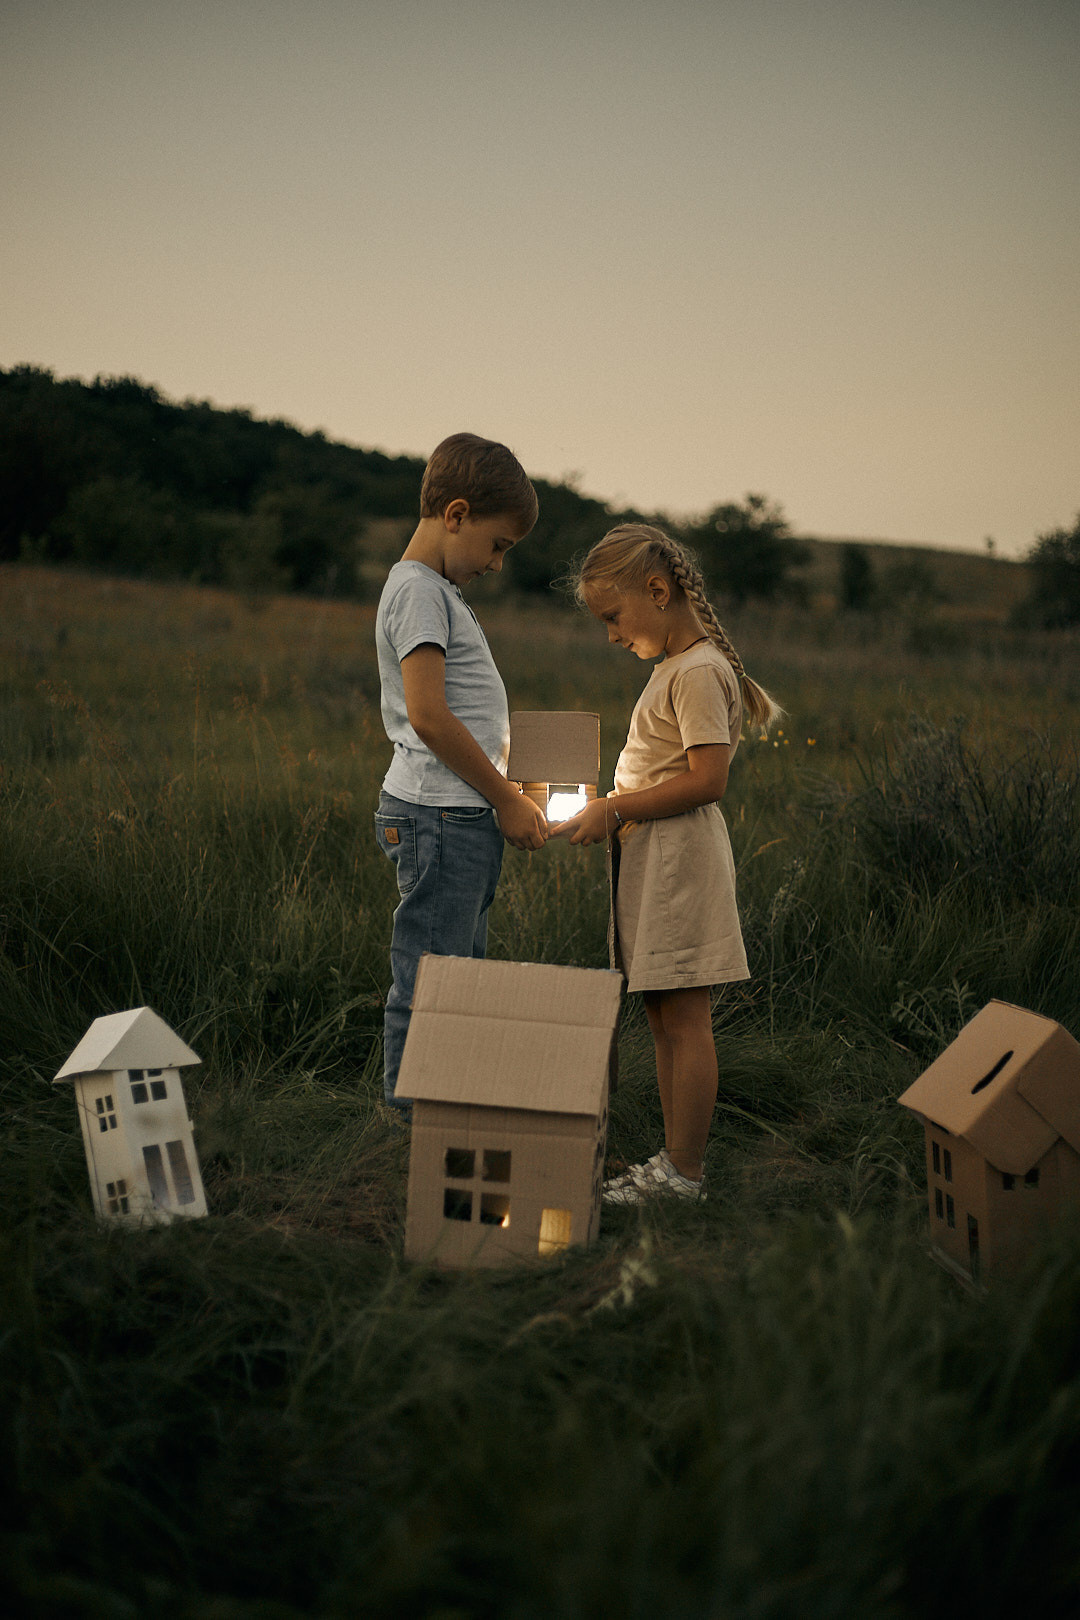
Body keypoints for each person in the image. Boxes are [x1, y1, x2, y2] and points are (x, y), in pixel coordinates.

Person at [551, 523, 780, 1201]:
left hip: (681, 865)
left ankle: (685, 1172)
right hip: (656, 862)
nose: (613, 635)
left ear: (657, 591)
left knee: (685, 1020)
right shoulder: (676, 670)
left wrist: (616, 809)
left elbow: (708, 780)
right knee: (662, 1017)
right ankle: (674, 1165)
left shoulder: (700, 672)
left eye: (614, 618)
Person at [374, 433, 548, 1118]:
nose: (499, 564)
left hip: (457, 814)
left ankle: (444, 1108)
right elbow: (429, 716)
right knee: (432, 978)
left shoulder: (434, 591)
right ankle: (411, 1121)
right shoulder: (418, 592)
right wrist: (505, 798)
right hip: (442, 814)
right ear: (455, 514)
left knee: (457, 974)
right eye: (499, 544)